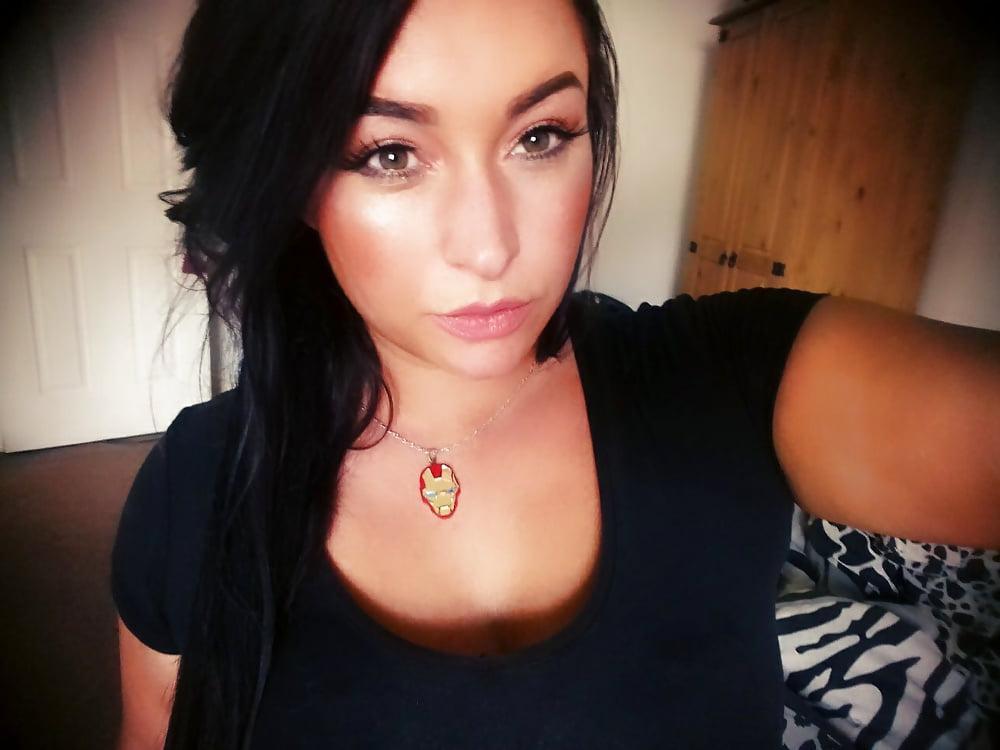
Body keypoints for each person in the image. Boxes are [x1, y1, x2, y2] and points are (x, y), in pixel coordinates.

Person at [110, 0, 1000, 747]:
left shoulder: (728, 379)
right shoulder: (196, 492)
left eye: (540, 136)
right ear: (294, 182)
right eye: (390, 154)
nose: (490, 246)